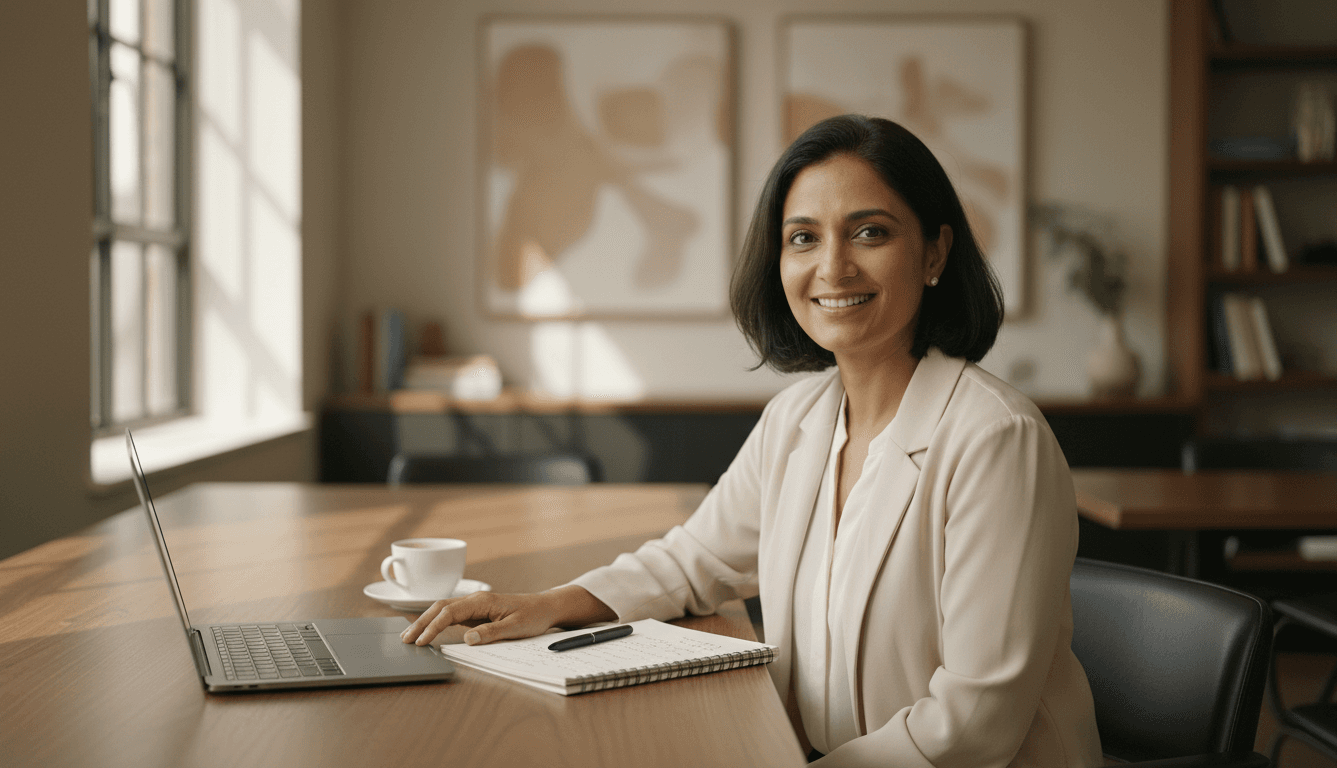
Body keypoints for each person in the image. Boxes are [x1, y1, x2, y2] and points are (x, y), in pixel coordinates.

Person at [402, 114, 1103, 767]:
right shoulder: (797, 418)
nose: (832, 267)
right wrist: (547, 605)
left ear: (934, 252)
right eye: (803, 237)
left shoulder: (995, 439)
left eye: (870, 232)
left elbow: (976, 721)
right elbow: (693, 560)